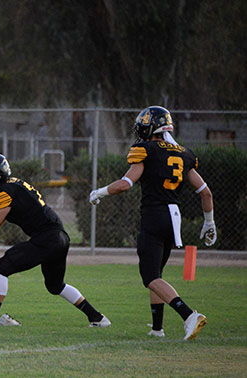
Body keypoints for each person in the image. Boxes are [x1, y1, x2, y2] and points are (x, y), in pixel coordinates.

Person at [0, 152, 111, 327]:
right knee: (55, 286)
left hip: (47, 238)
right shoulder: (11, 186)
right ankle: (97, 317)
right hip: (59, 237)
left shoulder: (2, 193)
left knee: (0, 267)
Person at [89, 106, 215, 340]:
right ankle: (157, 329)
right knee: (156, 275)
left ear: (149, 126)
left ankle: (189, 315)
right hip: (173, 217)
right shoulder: (183, 153)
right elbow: (205, 193)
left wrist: (100, 191)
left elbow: (126, 184)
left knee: (150, 276)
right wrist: (209, 222)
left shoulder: (146, 150)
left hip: (155, 215)